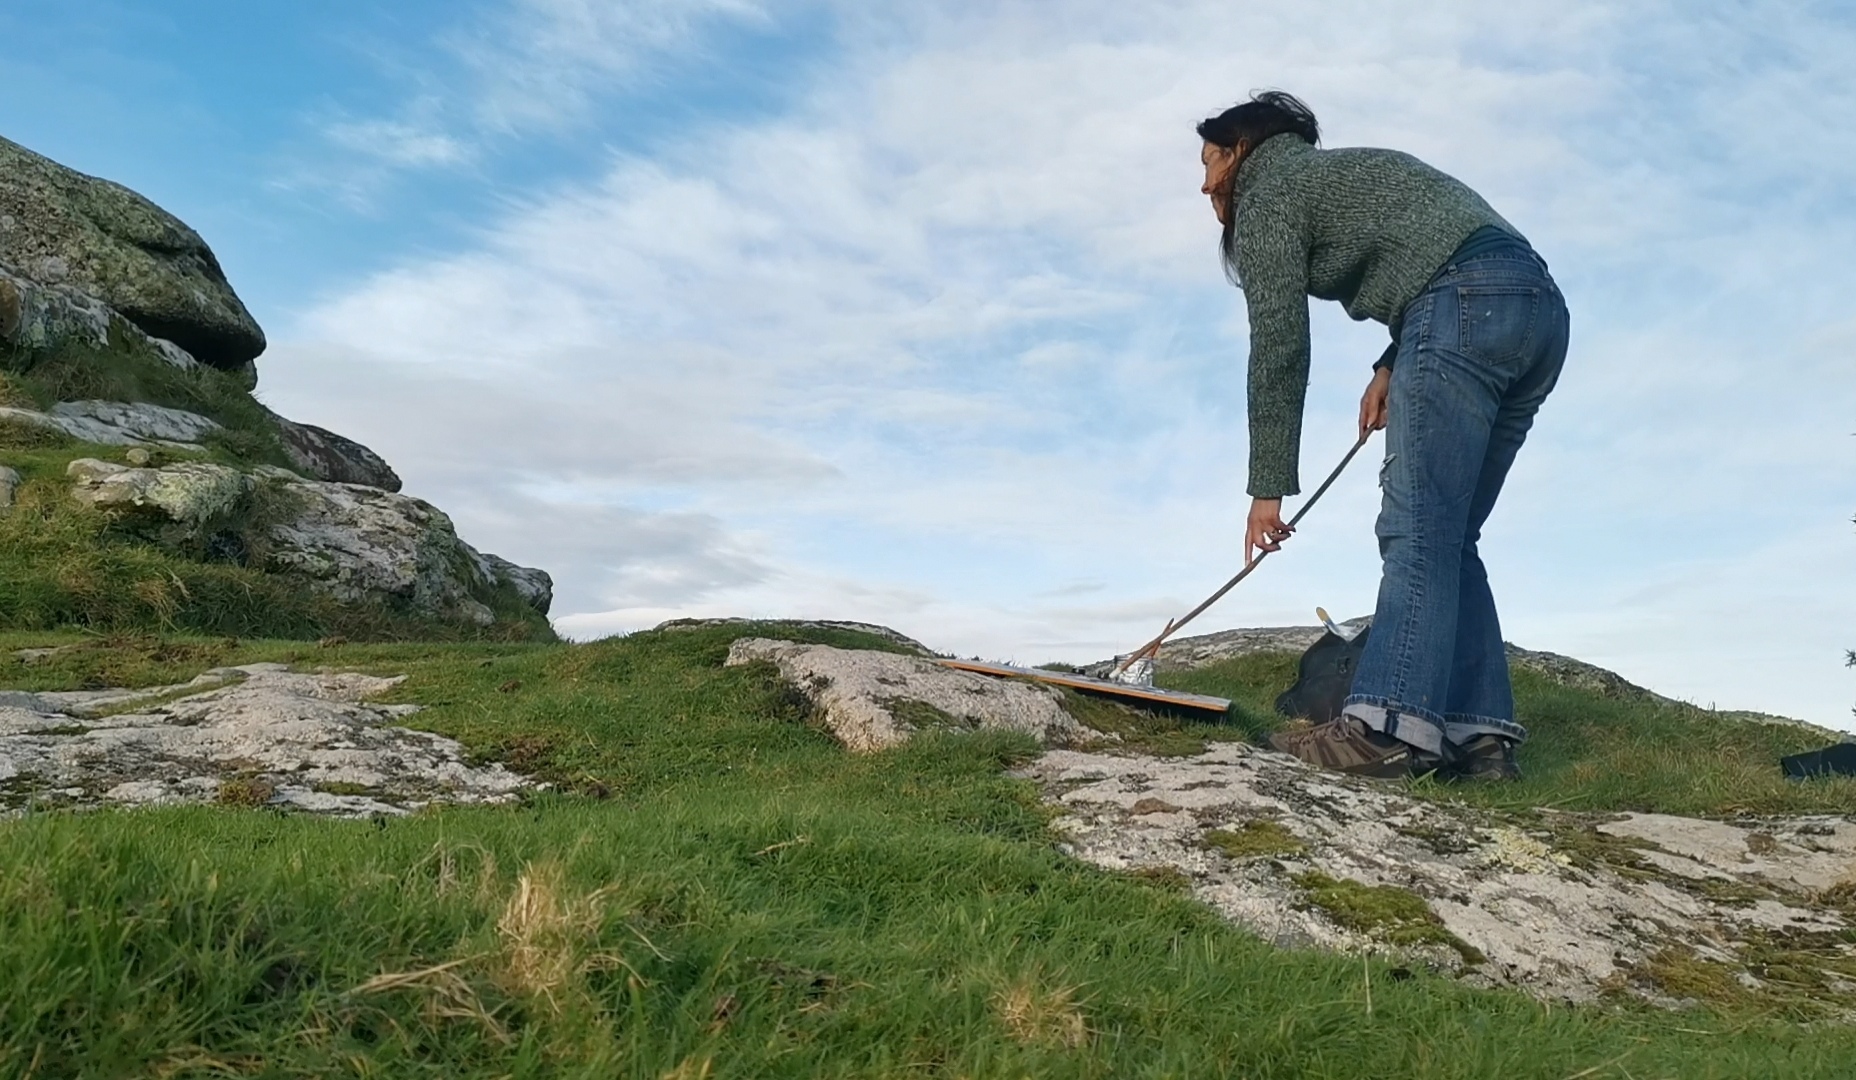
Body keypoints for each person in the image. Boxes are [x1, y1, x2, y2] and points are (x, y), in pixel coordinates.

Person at [1197, 91, 1569, 781]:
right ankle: (1480, 743)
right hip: (1538, 313)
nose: (1204, 182)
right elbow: (1443, 248)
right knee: (1452, 536)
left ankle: (1384, 730)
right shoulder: (1344, 171)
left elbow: (1279, 348)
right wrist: (1393, 363)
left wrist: (1267, 489)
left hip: (1457, 309)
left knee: (1418, 532)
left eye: (1211, 159)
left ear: (1242, 150)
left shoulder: (1272, 194)